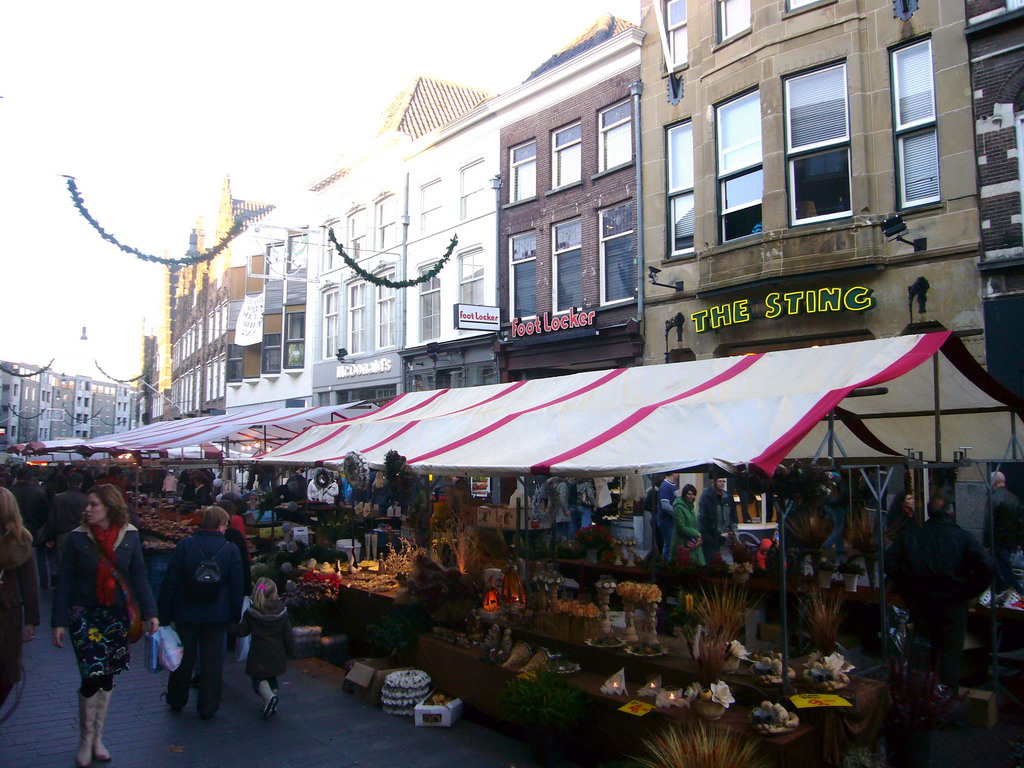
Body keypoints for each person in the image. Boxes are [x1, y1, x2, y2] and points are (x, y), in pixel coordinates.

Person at [51, 483, 159, 767]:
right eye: (87, 505)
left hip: (117, 616)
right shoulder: (77, 539)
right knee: (91, 675)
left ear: (109, 508)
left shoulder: (130, 536)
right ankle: (86, 739)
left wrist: (150, 613)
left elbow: (139, 576)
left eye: (93, 505)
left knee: (108, 675)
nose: (87, 510)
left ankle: (99, 737)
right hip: (84, 615)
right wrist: (58, 621)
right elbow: (64, 581)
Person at [885, 495, 993, 686]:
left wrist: (908, 586)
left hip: (923, 603)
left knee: (921, 657)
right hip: (951, 603)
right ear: (951, 513)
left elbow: (890, 562)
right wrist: (967, 590)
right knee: (949, 658)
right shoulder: (962, 538)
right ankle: (945, 704)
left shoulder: (913, 536)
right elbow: (987, 566)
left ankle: (918, 702)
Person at [159, 505, 243, 720]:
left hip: (186, 611)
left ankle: (176, 699)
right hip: (217, 613)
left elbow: (171, 581)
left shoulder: (185, 545)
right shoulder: (231, 549)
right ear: (220, 525)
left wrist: (164, 615)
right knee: (212, 660)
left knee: (183, 657)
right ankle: (208, 706)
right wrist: (235, 615)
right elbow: (236, 586)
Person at [0, 487, 40, 709]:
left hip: (8, 612)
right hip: (10, 612)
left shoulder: (20, 540)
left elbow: (29, 583)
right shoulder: (22, 538)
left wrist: (31, 619)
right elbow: (29, 584)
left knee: (6, 673)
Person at [234, 577, 294, 718]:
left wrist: (227, 626)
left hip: (259, 653)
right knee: (272, 678)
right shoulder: (282, 611)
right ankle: (270, 702)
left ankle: (269, 698)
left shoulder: (252, 612)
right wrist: (291, 651)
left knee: (258, 679)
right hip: (277, 653)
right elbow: (288, 634)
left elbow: (242, 631)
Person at [39, 472, 88, 575]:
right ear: (81, 484)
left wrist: (49, 537)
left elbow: (52, 519)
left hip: (63, 535)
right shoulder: (85, 499)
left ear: (68, 483)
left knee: (63, 565)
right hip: (82, 535)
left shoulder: (58, 499)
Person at [11, 467, 51, 588]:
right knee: (40, 557)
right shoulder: (38, 492)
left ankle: (17, 584)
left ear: (17, 477)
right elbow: (45, 513)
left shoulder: (10, 492)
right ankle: (43, 582)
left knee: (15, 557)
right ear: (30, 478)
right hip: (35, 529)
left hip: (14, 530)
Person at [986, 471, 1023, 600]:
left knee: (1002, 568)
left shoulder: (993, 498)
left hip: (997, 539)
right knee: (1000, 567)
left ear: (993, 483)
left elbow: (989, 522)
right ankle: (1000, 590)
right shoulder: (1015, 498)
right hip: (1010, 540)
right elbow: (1020, 522)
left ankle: (1018, 591)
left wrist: (986, 542)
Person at [699, 476, 738, 565]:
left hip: (725, 536)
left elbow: (733, 515)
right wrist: (718, 532)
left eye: (723, 481)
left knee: (728, 561)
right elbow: (706, 519)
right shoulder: (706, 497)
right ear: (712, 482)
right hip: (710, 536)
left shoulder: (727, 497)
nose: (722, 483)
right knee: (711, 561)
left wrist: (734, 530)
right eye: (719, 481)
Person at [671, 484, 704, 566]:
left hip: (693, 540)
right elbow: (681, 527)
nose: (691, 496)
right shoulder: (678, 508)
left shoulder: (691, 507)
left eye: (693, 494)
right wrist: (696, 533)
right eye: (689, 494)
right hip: (682, 542)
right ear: (684, 494)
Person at [657, 472, 680, 560]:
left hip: (673, 521)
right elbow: (665, 505)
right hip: (666, 521)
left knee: (673, 544)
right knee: (669, 544)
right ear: (673, 473)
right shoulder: (665, 486)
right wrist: (677, 513)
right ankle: (666, 564)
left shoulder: (674, 485)